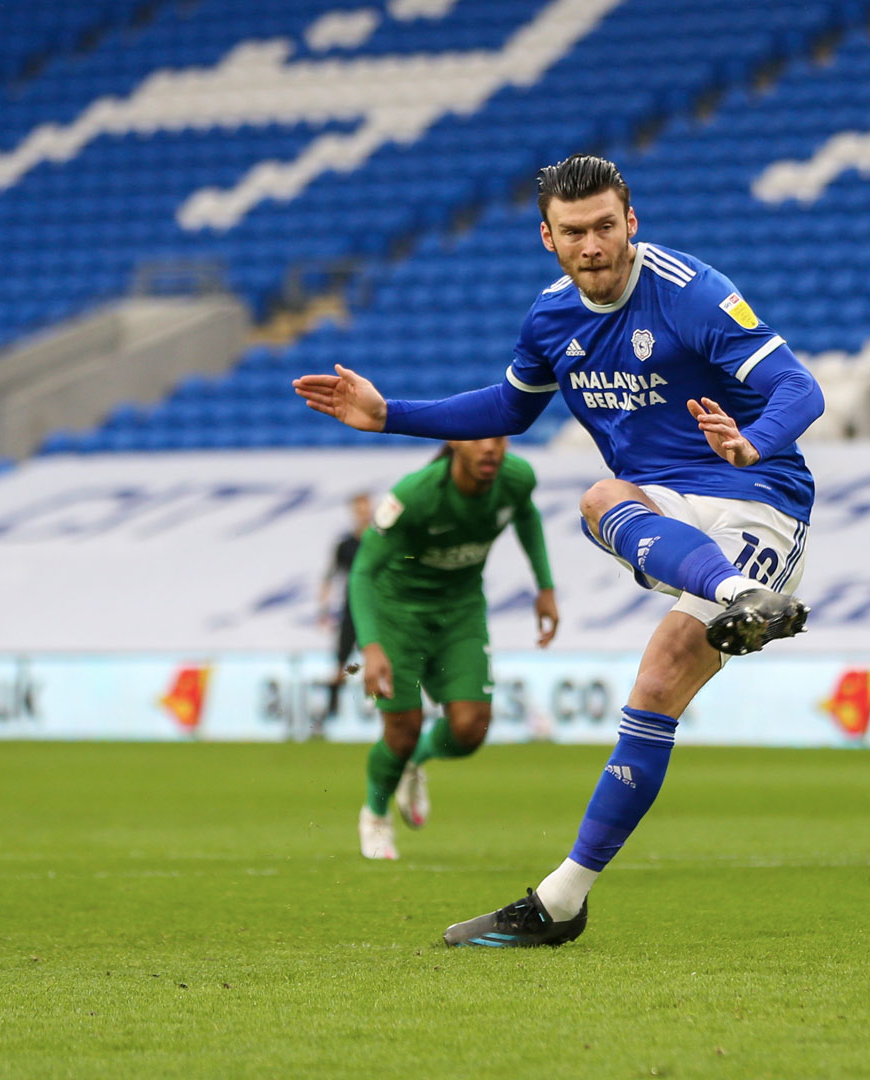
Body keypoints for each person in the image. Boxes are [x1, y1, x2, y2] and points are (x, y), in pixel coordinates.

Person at [294, 154, 821, 945]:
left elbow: (800, 388)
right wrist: (388, 413)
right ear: (549, 237)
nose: (594, 245)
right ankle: (561, 904)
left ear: (631, 223)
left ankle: (740, 594)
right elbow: (510, 405)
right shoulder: (548, 320)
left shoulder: (690, 291)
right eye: (574, 232)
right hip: (669, 511)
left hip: (758, 495)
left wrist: (754, 442)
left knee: (605, 518)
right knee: (647, 671)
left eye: (607, 226)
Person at [350, 439, 558, 860]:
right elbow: (362, 572)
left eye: (499, 438)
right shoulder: (415, 495)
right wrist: (371, 647)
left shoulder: (517, 478)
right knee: (401, 731)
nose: (491, 449)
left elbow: (526, 515)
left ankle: (415, 763)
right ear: (454, 445)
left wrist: (545, 586)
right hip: (399, 616)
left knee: (470, 730)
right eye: (479, 440)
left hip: (460, 614)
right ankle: (374, 815)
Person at [318, 491, 373, 734]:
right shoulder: (345, 545)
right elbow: (330, 576)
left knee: (378, 661)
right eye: (359, 508)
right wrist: (323, 608)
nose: (363, 512)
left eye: (366, 507)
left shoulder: (380, 541)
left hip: (376, 611)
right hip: (351, 610)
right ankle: (330, 714)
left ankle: (383, 711)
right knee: (341, 664)